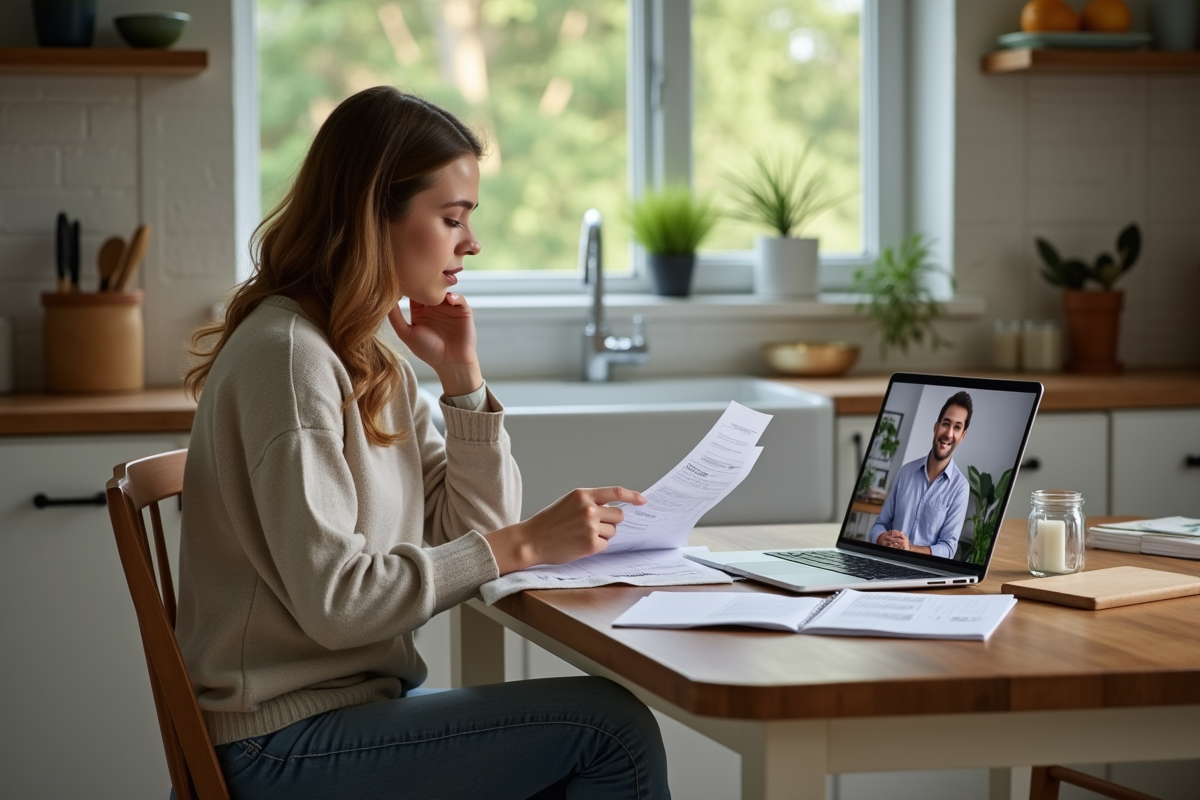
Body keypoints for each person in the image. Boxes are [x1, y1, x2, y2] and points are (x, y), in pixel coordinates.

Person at [177, 86, 671, 800]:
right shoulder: (289, 360)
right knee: (609, 732)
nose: (471, 243)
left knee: (597, 730)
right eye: (451, 218)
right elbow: (341, 602)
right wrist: (525, 546)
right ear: (373, 215)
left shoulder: (366, 359)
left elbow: (472, 530)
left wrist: (463, 383)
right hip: (275, 745)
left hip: (345, 715)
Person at [868, 391, 973, 559]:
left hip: (923, 572)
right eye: (946, 424)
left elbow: (948, 548)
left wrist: (909, 549)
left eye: (957, 427)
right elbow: (880, 524)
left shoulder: (960, 488)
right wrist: (882, 537)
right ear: (936, 426)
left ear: (963, 436)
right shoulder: (906, 472)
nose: (949, 434)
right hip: (887, 563)